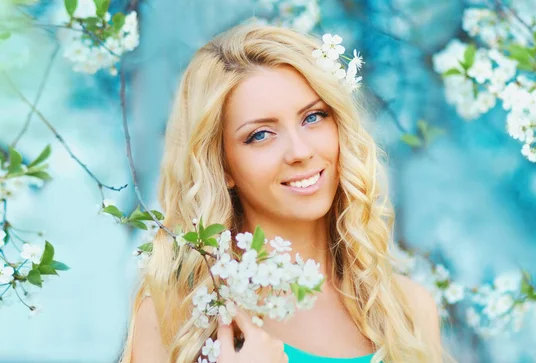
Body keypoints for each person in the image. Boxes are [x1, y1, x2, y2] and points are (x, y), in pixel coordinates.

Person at [119, 22, 449, 363]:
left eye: (313, 117)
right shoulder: (179, 320)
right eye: (260, 135)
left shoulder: (408, 313)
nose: (300, 151)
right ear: (223, 166)